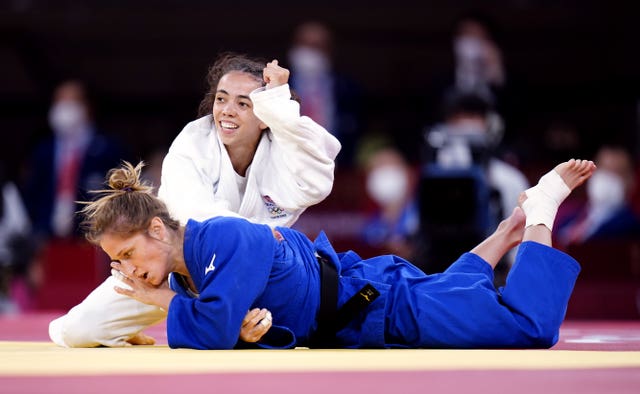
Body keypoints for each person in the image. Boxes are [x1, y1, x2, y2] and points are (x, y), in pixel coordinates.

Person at [80, 158, 595, 350]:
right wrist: (244, 331)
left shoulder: (221, 238)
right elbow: (224, 326)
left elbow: (211, 330)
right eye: (116, 263)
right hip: (365, 301)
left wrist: (198, 316)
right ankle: (510, 228)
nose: (127, 271)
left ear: (156, 228)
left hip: (382, 307)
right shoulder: (184, 276)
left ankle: (543, 208)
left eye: (127, 253)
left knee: (529, 328)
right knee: (456, 295)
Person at [48, 53, 342, 347]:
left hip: (254, 280)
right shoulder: (193, 142)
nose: (227, 111)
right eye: (221, 99)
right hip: (171, 268)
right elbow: (193, 214)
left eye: (243, 104)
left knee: (244, 331)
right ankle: (166, 319)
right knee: (77, 331)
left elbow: (318, 180)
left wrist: (278, 104)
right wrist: (260, 235)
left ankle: (217, 320)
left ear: (265, 115)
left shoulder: (282, 151)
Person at [22, 79, 129, 242]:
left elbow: (122, 195)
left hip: (93, 239)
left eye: (71, 101)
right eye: (59, 101)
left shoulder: (108, 148)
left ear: (87, 106)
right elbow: (32, 194)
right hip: (47, 239)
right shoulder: (43, 150)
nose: (64, 108)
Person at [287, 20, 364, 167]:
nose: (309, 52)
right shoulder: (277, 86)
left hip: (339, 168)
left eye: (316, 46)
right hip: (289, 165)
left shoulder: (348, 88)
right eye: (304, 44)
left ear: (329, 51)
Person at [556, 145, 640, 247]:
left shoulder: (628, 226)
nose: (606, 178)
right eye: (603, 169)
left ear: (631, 181)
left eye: (615, 172)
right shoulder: (569, 217)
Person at [361, 146, 420, 260]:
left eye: (391, 169)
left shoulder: (423, 216)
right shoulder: (371, 225)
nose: (385, 177)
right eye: (378, 170)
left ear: (408, 174)